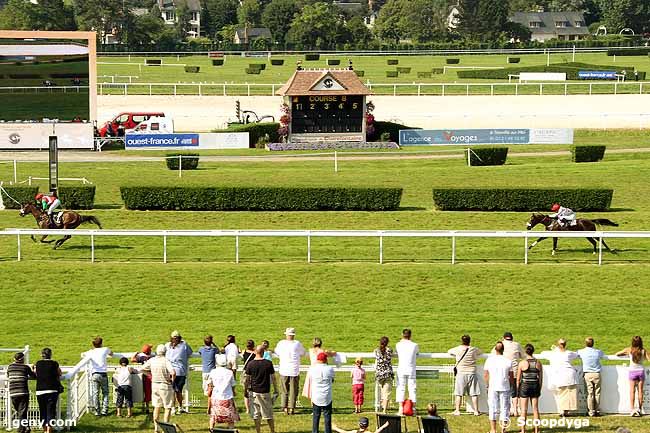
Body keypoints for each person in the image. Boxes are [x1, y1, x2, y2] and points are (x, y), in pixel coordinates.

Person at [141, 344, 176, 432]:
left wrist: (150, 375)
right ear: (165, 352)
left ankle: (156, 428)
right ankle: (166, 428)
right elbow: (173, 372)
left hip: (155, 385)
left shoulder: (152, 360)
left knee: (157, 407)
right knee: (167, 407)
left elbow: (142, 369)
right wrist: (172, 380)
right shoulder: (166, 361)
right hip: (165, 385)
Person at [245, 345, 279, 433]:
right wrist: (276, 389)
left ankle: (258, 431)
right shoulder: (268, 363)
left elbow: (247, 379)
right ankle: (272, 430)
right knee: (268, 414)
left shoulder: (251, 364)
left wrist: (245, 390)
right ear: (263, 353)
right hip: (265, 392)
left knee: (256, 414)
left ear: (255, 352)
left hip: (254, 392)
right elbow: (273, 378)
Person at [448, 334, 482, 416]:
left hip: (461, 373)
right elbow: (480, 352)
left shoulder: (457, 349)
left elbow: (449, 351)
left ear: (462, 341)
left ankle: (457, 410)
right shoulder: (473, 349)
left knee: (459, 393)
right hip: (472, 372)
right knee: (474, 393)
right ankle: (476, 411)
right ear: (469, 341)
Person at [275, 327, 306, 415]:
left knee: (284, 389)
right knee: (293, 390)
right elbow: (303, 353)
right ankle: (291, 408)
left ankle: (285, 407)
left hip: (284, 369)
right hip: (294, 370)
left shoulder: (281, 343)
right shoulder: (297, 344)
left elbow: (277, 352)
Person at [616, 336, 650, 417]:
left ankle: (632, 410)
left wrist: (624, 354)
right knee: (640, 391)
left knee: (632, 391)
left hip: (632, 372)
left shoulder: (629, 349)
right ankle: (640, 409)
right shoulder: (643, 350)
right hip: (641, 371)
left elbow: (617, 354)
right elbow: (649, 359)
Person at [492, 332, 524, 417]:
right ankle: (516, 410)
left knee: (504, 392)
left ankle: (505, 410)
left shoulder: (500, 345)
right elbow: (523, 356)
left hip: (502, 372)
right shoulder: (516, 345)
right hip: (514, 372)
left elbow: (493, 354)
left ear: (504, 338)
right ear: (511, 338)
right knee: (515, 392)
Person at [484, 342, 513, 433]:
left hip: (493, 386)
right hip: (505, 386)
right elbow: (511, 376)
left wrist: (487, 385)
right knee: (505, 408)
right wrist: (511, 385)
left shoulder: (490, 360)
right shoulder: (508, 361)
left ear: (495, 350)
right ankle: (503, 429)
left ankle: (493, 429)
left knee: (492, 407)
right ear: (503, 350)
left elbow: (486, 375)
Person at [547, 339, 579, 417]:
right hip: (570, 374)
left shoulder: (555, 353)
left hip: (561, 375)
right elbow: (577, 354)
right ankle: (567, 411)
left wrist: (555, 349)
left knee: (562, 394)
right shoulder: (568, 353)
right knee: (570, 394)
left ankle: (563, 411)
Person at [208, 354, 240, 431]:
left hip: (216, 396)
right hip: (227, 397)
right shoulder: (230, 372)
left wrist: (209, 392)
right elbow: (233, 385)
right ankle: (231, 429)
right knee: (230, 417)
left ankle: (211, 429)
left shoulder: (213, 372)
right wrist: (233, 392)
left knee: (213, 416)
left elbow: (210, 384)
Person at [34, 348, 63, 433]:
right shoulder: (54, 363)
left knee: (42, 410)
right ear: (50, 355)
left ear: (41, 355)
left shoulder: (38, 363)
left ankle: (44, 429)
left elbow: (35, 373)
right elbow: (60, 373)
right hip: (52, 390)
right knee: (51, 410)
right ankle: (49, 428)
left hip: (40, 390)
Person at [165, 330, 193, 415]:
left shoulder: (167, 345)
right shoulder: (184, 345)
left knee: (172, 391)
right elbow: (190, 352)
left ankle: (173, 408)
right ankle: (180, 407)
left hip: (170, 371)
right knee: (179, 391)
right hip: (180, 372)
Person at [7, 352, 36, 433]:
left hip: (13, 392)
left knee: (20, 412)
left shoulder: (10, 367)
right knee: (22, 412)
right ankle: (21, 430)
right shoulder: (25, 367)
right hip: (23, 392)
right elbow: (34, 376)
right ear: (23, 359)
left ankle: (26, 428)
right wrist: (32, 368)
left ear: (14, 359)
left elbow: (8, 375)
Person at [84, 336, 113, 416]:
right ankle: (104, 410)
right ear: (101, 343)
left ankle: (97, 411)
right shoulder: (105, 349)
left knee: (95, 393)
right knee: (105, 393)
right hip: (103, 374)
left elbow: (83, 355)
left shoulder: (91, 352)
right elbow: (111, 353)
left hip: (95, 374)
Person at [517, 344, 543, 433]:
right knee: (535, 409)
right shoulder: (538, 363)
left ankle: (523, 430)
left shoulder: (522, 363)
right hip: (535, 385)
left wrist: (518, 389)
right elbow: (540, 378)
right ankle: (536, 430)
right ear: (533, 351)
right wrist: (539, 388)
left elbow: (518, 379)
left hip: (525, 386)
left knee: (523, 410)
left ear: (525, 351)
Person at [577, 337, 605, 417]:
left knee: (590, 393)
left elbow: (576, 353)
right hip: (596, 373)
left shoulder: (582, 352)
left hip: (588, 374)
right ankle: (596, 410)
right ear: (593, 343)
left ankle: (591, 411)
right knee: (597, 393)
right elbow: (602, 354)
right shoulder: (598, 352)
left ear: (585, 343)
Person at [303, 337, 337, 402]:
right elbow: (332, 354)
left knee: (312, 390)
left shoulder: (310, 350)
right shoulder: (322, 351)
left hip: (311, 370)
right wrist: (333, 352)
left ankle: (314, 407)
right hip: (320, 370)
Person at [395, 328, 419, 414]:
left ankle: (401, 408)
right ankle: (413, 408)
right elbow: (417, 353)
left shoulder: (398, 345)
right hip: (411, 369)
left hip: (401, 369)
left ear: (402, 335)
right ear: (410, 335)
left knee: (400, 388)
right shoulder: (415, 345)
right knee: (412, 388)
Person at [310, 352, 335, 433]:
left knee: (316, 416)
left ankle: (315, 431)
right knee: (327, 416)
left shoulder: (313, 369)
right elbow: (332, 379)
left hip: (316, 395)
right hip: (327, 395)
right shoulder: (330, 368)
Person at [374, 336, 394, 413]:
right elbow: (390, 352)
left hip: (379, 374)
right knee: (386, 393)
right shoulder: (389, 350)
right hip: (388, 373)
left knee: (382, 391)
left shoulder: (376, 351)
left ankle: (380, 406)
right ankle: (384, 410)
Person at [132, 344, 153, 414]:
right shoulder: (152, 357)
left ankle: (145, 406)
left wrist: (135, 354)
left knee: (143, 390)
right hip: (150, 376)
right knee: (149, 392)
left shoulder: (141, 358)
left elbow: (132, 359)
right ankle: (149, 406)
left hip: (143, 375)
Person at [242, 339, 257, 413]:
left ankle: (247, 409)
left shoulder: (244, 351)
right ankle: (253, 407)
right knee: (253, 391)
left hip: (245, 372)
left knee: (245, 391)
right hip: (253, 373)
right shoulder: (255, 353)